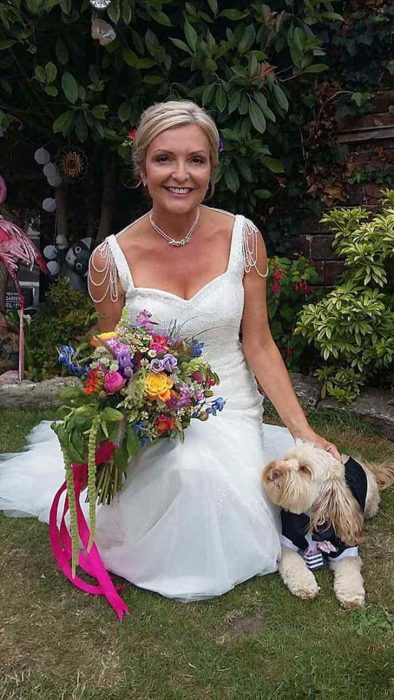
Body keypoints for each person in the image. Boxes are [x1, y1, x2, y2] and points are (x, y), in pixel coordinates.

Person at [0, 100, 339, 601]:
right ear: (142, 169)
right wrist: (123, 414)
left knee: (218, 482)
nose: (181, 174)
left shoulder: (243, 239)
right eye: (164, 159)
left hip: (230, 400)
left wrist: (302, 431)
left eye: (196, 160)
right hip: (151, 411)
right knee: (185, 469)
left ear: (211, 169)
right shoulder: (110, 258)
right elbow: (108, 357)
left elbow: (259, 343)